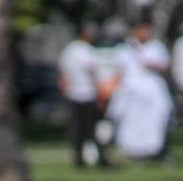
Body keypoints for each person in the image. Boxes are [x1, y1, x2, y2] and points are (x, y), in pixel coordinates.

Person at [107, 20, 174, 161]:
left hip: (152, 89)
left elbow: (165, 65)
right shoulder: (125, 49)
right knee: (132, 122)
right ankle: (135, 152)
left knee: (157, 119)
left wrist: (152, 65)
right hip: (132, 91)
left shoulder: (156, 47)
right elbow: (119, 71)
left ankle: (156, 150)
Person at [57, 22, 107, 167]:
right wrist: (100, 94)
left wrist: (65, 90)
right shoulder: (88, 51)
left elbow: (62, 74)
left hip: (73, 95)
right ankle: (100, 158)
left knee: (77, 129)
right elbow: (93, 74)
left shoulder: (68, 51)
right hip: (88, 94)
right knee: (93, 129)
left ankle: (79, 158)